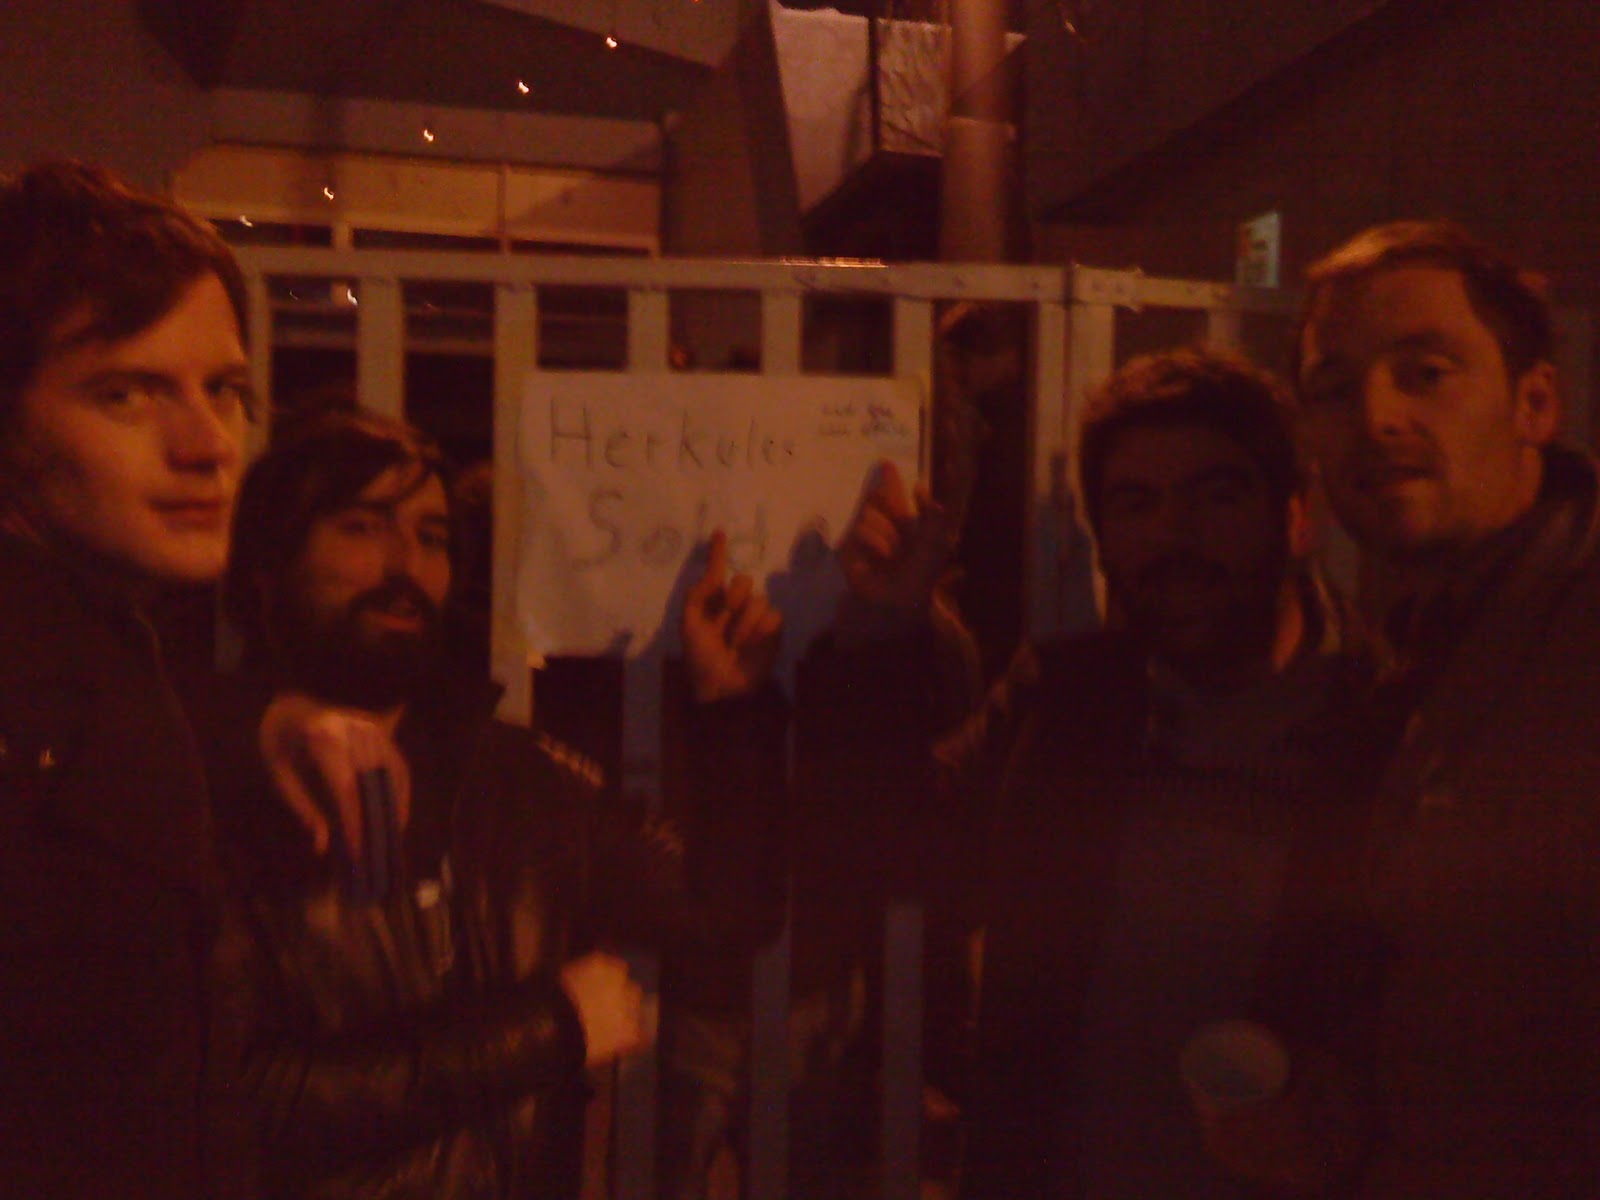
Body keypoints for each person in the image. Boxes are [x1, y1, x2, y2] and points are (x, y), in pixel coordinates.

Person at [800, 346, 1384, 1198]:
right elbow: (890, 849)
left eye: (1216, 496)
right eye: (1136, 504)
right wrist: (881, 630)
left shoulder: (1392, 731)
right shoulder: (1068, 701)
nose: (1173, 538)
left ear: (1298, 518)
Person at [198, 410, 788, 1200]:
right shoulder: (205, 779)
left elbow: (724, 914)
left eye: (433, 537)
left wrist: (729, 713)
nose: (406, 564)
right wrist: (550, 1027)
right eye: (362, 527)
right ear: (266, 568)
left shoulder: (520, 777)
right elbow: (233, 1101)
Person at [1294, 219, 1600, 1196]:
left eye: (1424, 373)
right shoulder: (1412, 649)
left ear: (1535, 402)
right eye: (1333, 389)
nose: (1375, 417)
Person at [0, 160, 257, 1197]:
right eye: (126, 393)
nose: (208, 445)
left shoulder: (104, 647)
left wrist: (269, 725)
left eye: (225, 391)